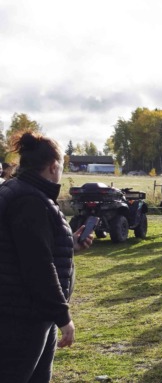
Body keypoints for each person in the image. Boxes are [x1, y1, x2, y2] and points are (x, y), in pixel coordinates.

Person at [0, 131, 94, 382]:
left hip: (32, 313)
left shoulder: (24, 192)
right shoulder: (30, 201)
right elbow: (37, 266)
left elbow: (29, 248)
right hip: (21, 317)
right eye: (62, 165)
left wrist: (71, 245)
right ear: (53, 167)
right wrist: (63, 317)